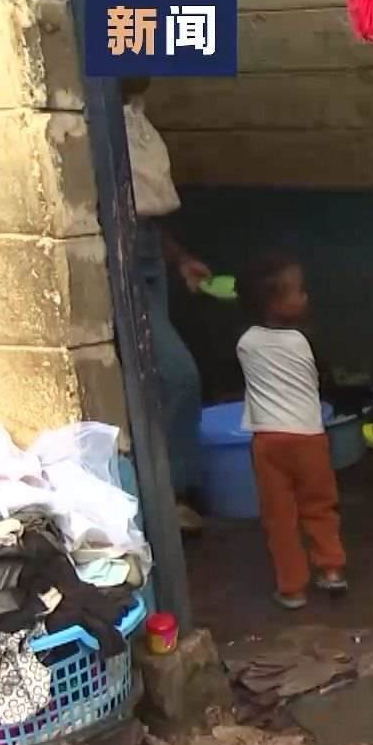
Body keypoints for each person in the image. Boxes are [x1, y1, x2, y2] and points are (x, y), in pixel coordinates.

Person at [234, 253, 348, 610]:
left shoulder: (246, 344)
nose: (306, 297)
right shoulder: (305, 342)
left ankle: (292, 588)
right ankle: (331, 568)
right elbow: (324, 378)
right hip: (309, 438)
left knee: (279, 517)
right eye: (298, 292)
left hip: (268, 442)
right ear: (274, 303)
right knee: (319, 506)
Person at [122, 78, 210, 531]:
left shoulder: (135, 114)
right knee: (177, 375)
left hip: (148, 250)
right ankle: (167, 496)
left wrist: (178, 259)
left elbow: (148, 211)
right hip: (122, 254)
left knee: (156, 378)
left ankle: (162, 492)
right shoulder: (92, 120)